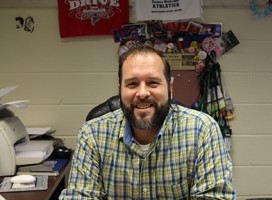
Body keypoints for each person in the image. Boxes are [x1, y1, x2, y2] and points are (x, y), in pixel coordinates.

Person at [59, 44, 236, 199]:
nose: (142, 93)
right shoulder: (93, 134)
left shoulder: (202, 130)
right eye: (132, 84)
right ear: (120, 89)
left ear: (170, 88)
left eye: (152, 83)